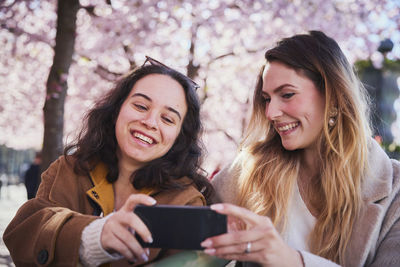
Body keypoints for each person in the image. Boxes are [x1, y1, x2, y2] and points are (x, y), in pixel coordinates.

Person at [201, 31, 400, 266]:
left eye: (287, 95)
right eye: (267, 98)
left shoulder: (395, 191)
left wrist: (289, 259)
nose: (270, 113)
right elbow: (190, 231)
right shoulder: (252, 167)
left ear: (333, 96)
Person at [4, 56, 213, 266]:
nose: (150, 122)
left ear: (179, 136)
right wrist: (93, 237)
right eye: (141, 106)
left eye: (168, 119)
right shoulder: (68, 170)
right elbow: (24, 235)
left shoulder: (188, 201)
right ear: (116, 110)